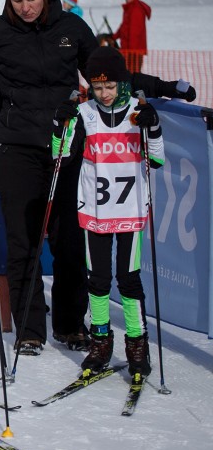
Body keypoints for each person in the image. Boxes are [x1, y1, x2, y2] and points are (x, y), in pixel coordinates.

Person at [0, 0, 192, 356]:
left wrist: (165, 88)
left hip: (70, 148)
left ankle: (71, 324)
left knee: (71, 240)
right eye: (17, 0)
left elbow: (110, 74)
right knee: (23, 240)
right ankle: (29, 328)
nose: (25, 7)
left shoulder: (71, 27)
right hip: (17, 147)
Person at [52, 46, 162, 380]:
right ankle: (100, 341)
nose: (104, 94)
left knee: (129, 279)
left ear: (122, 83)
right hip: (95, 211)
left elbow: (156, 160)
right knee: (97, 280)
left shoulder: (137, 111)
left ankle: (137, 342)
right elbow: (61, 156)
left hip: (130, 210)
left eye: (110, 86)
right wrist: (60, 124)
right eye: (98, 87)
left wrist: (153, 126)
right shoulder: (85, 112)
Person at [114, 0, 151, 75]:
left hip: (134, 51)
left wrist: (130, 52)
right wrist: (114, 36)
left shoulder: (136, 9)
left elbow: (135, 33)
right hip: (127, 49)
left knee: (134, 74)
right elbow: (124, 26)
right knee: (127, 74)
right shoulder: (129, 8)